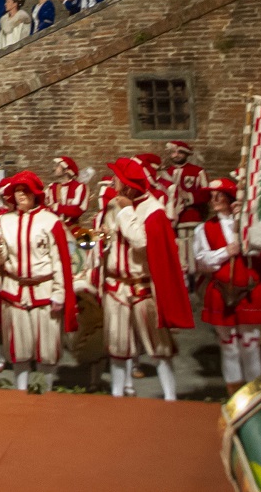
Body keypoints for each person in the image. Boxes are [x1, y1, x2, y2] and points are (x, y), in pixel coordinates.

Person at [97, 157, 192, 398]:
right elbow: (108, 242)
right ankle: (117, 395)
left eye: (118, 177)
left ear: (128, 184)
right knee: (118, 348)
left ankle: (170, 397)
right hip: (115, 286)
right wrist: (103, 237)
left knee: (159, 348)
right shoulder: (111, 206)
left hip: (142, 288)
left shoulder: (153, 210)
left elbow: (140, 242)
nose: (114, 181)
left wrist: (126, 210)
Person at [0, 171, 76, 393]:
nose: (21, 195)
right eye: (17, 191)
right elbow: (0, 260)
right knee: (19, 347)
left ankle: (46, 389)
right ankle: (20, 391)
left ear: (35, 193)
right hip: (14, 290)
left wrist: (59, 292)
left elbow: (59, 260)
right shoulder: (4, 221)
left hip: (44, 290)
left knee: (47, 348)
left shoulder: (50, 221)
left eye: (25, 190)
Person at [193, 179, 261, 389]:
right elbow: (201, 261)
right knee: (229, 345)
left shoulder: (248, 224)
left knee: (251, 342)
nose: (214, 200)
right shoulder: (204, 229)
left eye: (219, 195)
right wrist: (225, 252)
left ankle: (255, 389)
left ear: (231, 199)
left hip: (249, 291)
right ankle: (234, 390)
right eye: (212, 196)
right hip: (222, 291)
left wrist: (246, 223)